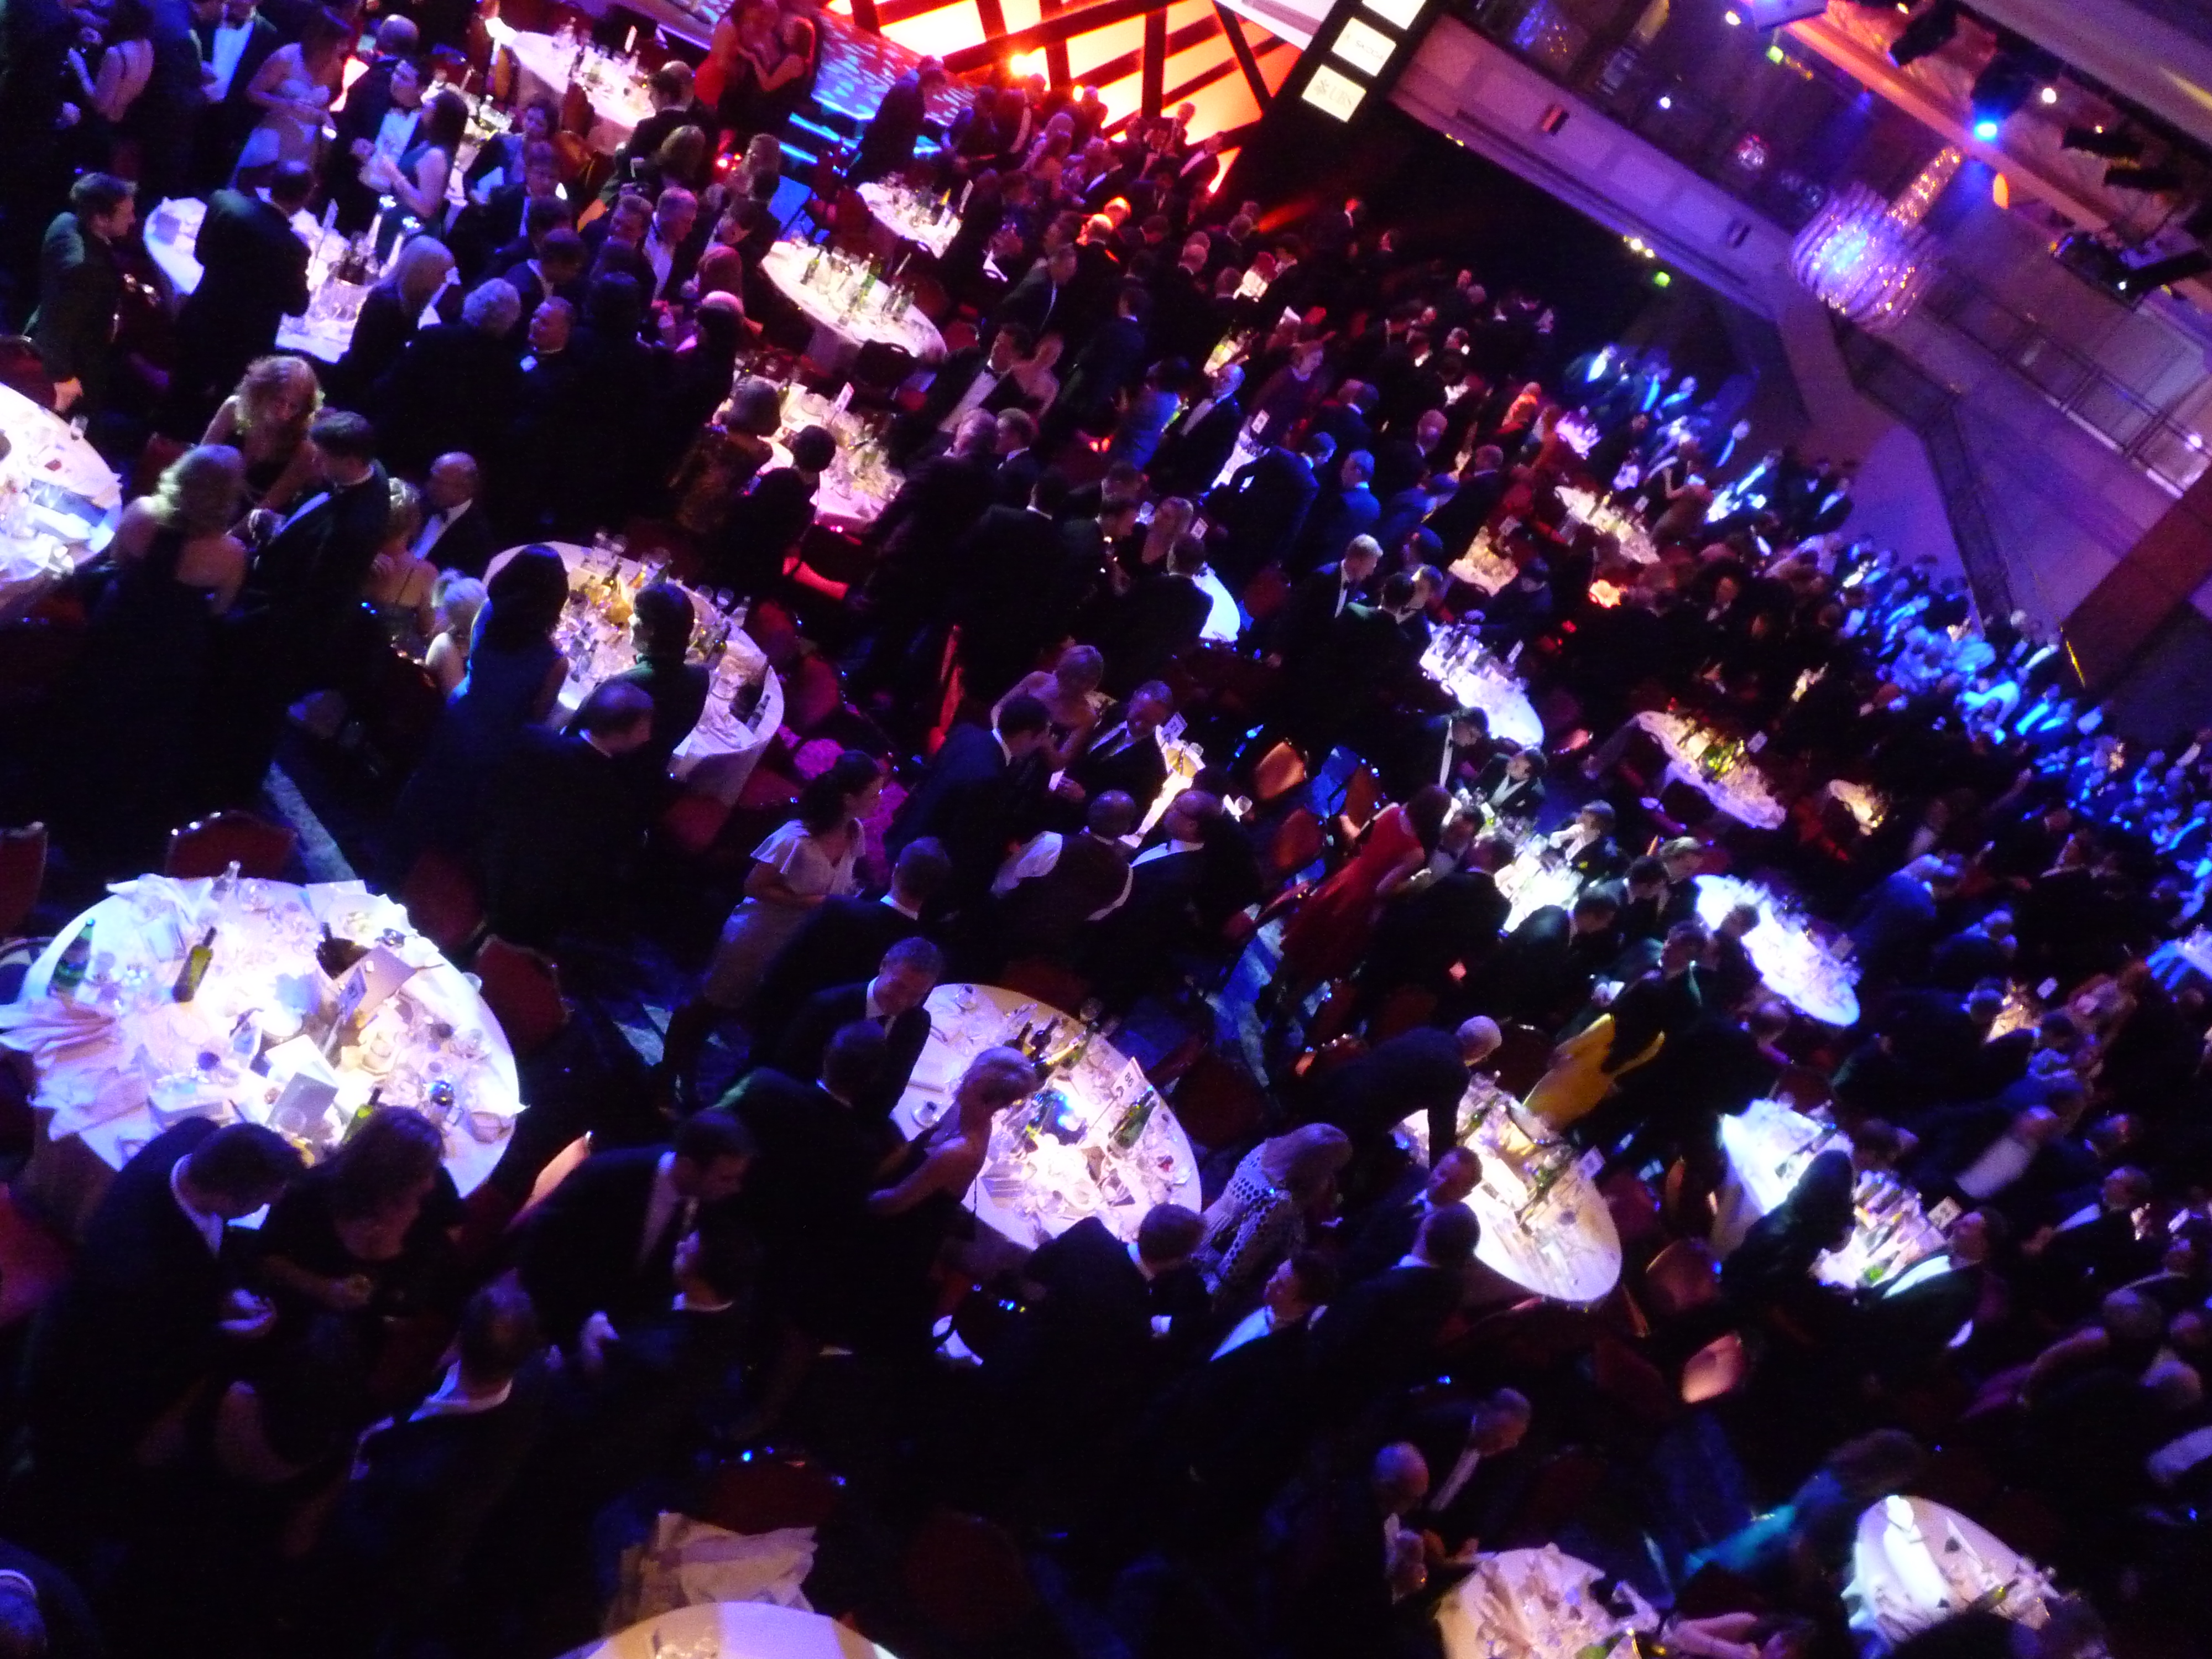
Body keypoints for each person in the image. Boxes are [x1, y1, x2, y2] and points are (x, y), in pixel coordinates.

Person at [21, 1122, 301, 1527]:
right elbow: (158, 1352)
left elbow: (209, 1241)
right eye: (259, 1203)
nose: (263, 1209)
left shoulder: (195, 1135)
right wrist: (229, 1334)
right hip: (93, 1374)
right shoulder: (142, 1271)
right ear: (225, 1197)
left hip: (134, 1320)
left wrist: (228, 1289)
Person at [317, 1283, 549, 1651]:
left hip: (367, 1566)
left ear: (458, 1339)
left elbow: (377, 1546)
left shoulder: (438, 1477)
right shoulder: (531, 1378)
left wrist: (329, 1498)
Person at [50, 444, 247, 865]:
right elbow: (220, 609)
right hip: (171, 649)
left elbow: (117, 563)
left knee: (94, 702)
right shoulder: (231, 554)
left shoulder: (141, 513)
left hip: (120, 625)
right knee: (143, 728)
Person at [517, 1111, 756, 1350]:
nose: (735, 1188)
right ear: (688, 1167)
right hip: (561, 1327)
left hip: (634, 1342)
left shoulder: (714, 1207)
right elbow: (542, 1244)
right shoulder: (609, 1176)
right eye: (726, 1179)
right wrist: (573, 1328)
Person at [687, 750, 884, 1023]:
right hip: (757, 937)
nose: (880, 801)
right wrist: (812, 903)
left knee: (748, 1015)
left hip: (793, 943)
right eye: (874, 795)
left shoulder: (855, 832)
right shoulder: (794, 840)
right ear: (849, 799)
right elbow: (753, 887)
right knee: (710, 1004)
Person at [255, 1108, 457, 1363]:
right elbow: (266, 1258)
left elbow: (454, 1227)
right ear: (384, 1179)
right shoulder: (310, 1194)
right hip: (297, 1322)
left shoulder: (434, 1188)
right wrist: (323, 1289)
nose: (430, 1182)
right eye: (420, 1175)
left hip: (373, 1335)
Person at [479, 679, 658, 946]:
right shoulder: (616, 801)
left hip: (480, 865)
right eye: (644, 729)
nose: (648, 737)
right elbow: (597, 875)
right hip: (530, 914)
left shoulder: (530, 738)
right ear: (623, 734)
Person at [1271, 785, 1454, 1016]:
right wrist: (1414, 885)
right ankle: (1288, 1007)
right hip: (1359, 903)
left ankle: (1273, 987)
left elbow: (1363, 838)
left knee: (1308, 933)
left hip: (1346, 878)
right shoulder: (1416, 853)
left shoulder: (1392, 810)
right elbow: (1382, 889)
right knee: (1327, 958)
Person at [167, 159, 312, 430]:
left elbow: (201, 254)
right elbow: (297, 306)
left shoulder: (225, 203)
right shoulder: (293, 249)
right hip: (240, 347)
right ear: (305, 199)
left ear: (270, 183)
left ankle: (159, 441)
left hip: (200, 319)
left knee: (178, 395)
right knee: (217, 415)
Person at [885, 696, 1053, 903]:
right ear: (1026, 735)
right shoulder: (991, 779)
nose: (1041, 745)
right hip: (921, 864)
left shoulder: (965, 733)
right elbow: (962, 841)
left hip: (907, 829)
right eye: (1041, 738)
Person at [770, 937, 943, 1128]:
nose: (902, 1001)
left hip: (857, 1127)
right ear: (884, 965)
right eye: (898, 986)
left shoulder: (917, 1023)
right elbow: (786, 1071)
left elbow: (893, 1090)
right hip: (799, 1112)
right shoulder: (826, 1006)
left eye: (916, 995)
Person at [1194, 1125, 1352, 1305]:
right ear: (1316, 1168)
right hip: (1204, 1263)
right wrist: (1217, 1302)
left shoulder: (1263, 1150)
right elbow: (1234, 1266)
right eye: (1331, 1169)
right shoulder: (1278, 1202)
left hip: (1200, 1226)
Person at [28, 171, 133, 415]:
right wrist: (63, 376)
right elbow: (58, 326)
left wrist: (118, 281)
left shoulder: (65, 222)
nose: (133, 220)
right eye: (127, 215)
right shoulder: (84, 270)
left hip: (57, 332)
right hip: (76, 358)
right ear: (100, 219)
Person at [232, 7, 345, 178]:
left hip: (306, 147)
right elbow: (253, 92)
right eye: (340, 43)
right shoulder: (286, 57)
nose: (344, 48)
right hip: (272, 139)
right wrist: (289, 105)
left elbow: (325, 105)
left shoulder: (336, 66)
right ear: (322, 40)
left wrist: (325, 118)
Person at [203, 351, 321, 510]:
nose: (284, 413)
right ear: (260, 392)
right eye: (278, 401)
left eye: (293, 406)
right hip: (207, 501)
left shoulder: (305, 446)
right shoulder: (233, 408)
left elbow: (266, 507)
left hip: (250, 519)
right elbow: (200, 463)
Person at [851, 55, 945, 182]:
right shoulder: (914, 97)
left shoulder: (907, 85)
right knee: (863, 182)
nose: (934, 95)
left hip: (876, 145)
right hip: (884, 153)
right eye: (936, 91)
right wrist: (903, 166)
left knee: (857, 176)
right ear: (931, 84)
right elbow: (906, 135)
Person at [410, 451, 497, 575]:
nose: (430, 486)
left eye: (439, 483)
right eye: (432, 479)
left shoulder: (478, 538)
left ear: (465, 489)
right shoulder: (421, 504)